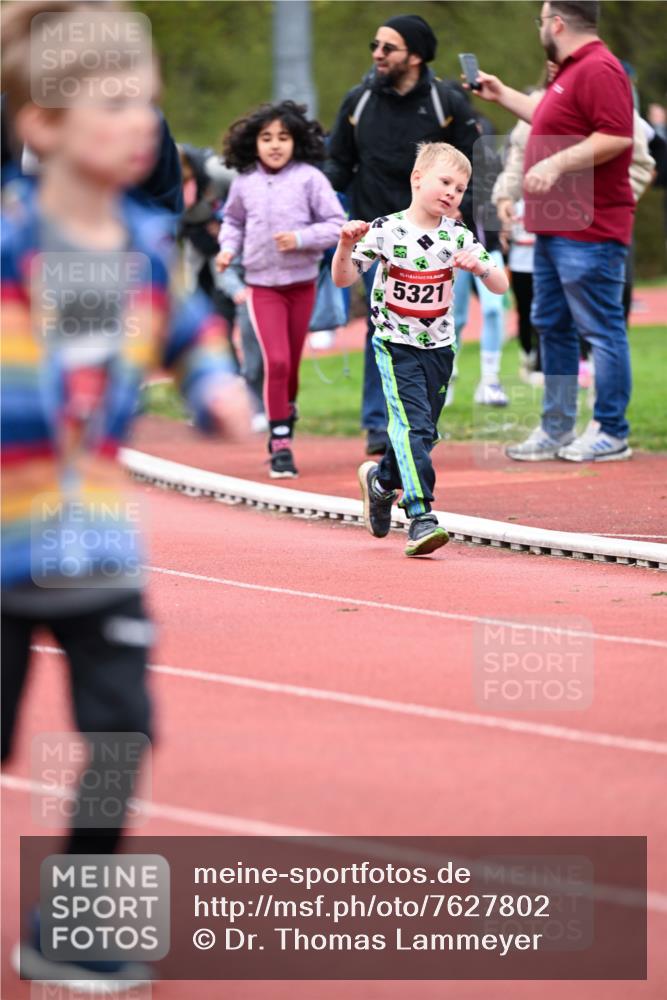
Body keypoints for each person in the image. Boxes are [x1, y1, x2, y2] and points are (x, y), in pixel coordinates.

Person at [1, 3, 249, 988]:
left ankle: (71, 920)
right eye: (113, 103)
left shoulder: (143, 241)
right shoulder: (11, 239)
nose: (141, 121)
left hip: (97, 542)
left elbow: (186, 330)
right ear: (43, 123)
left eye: (144, 101)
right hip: (5, 540)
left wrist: (214, 385)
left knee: (119, 730)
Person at [473, 1, 636, 462]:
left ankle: (611, 431)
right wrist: (503, 94)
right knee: (553, 326)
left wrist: (556, 163)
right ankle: (557, 427)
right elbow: (551, 120)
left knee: (600, 329)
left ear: (557, 24)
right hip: (554, 225)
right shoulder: (569, 70)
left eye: (541, 20)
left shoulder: (600, 68)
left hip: (590, 227)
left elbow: (617, 135)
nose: (539, 28)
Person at [332, 142, 508, 557]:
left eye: (460, 188)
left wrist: (481, 268)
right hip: (395, 345)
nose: (451, 192)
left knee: (424, 433)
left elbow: (500, 285)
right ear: (417, 179)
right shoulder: (385, 229)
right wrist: (344, 245)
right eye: (445, 182)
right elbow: (343, 279)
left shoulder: (458, 235)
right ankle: (420, 515)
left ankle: (381, 483)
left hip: (440, 349)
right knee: (411, 427)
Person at [325, 13, 479, 455]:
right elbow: (338, 162)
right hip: (379, 232)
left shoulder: (446, 102)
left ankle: (420, 420)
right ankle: (380, 423)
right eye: (375, 45)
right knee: (383, 326)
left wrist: (469, 214)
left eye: (387, 47)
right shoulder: (358, 101)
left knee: (435, 326)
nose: (377, 54)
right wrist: (319, 203)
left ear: (414, 56)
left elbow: (475, 165)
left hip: (436, 236)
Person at [216, 100, 345, 478]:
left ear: (296, 141)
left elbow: (337, 223)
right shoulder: (245, 182)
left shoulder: (310, 179)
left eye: (283, 137)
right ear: (253, 143)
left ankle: (284, 410)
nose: (275, 145)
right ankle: (281, 443)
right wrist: (227, 249)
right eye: (267, 137)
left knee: (290, 364)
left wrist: (301, 238)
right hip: (262, 286)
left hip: (301, 284)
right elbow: (232, 222)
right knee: (277, 361)